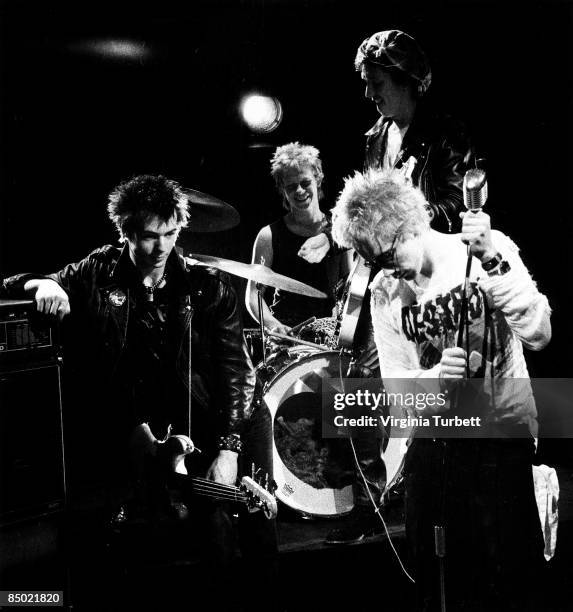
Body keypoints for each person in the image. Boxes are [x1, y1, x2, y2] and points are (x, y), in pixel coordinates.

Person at [1, 174, 276, 609]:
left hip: (227, 415)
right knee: (137, 531)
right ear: (125, 232)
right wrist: (42, 284)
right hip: (164, 429)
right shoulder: (99, 270)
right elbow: (13, 282)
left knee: (243, 525)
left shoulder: (207, 287)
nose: (162, 247)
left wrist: (228, 448)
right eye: (149, 236)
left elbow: (236, 374)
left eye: (170, 234)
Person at [331, 168, 551, 610]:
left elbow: (539, 332)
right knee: (439, 577)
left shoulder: (484, 251)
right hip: (438, 438)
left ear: (413, 224)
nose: (385, 271)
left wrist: (491, 260)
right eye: (373, 262)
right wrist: (434, 380)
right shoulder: (384, 294)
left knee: (505, 577)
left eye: (389, 256)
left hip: (501, 433)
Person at [246, 141, 347, 336]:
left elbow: (348, 287)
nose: (299, 191)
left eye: (305, 182)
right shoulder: (268, 235)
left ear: (318, 179)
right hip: (287, 334)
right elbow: (253, 296)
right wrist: (273, 325)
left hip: (329, 334)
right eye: (291, 187)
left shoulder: (339, 231)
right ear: (282, 189)